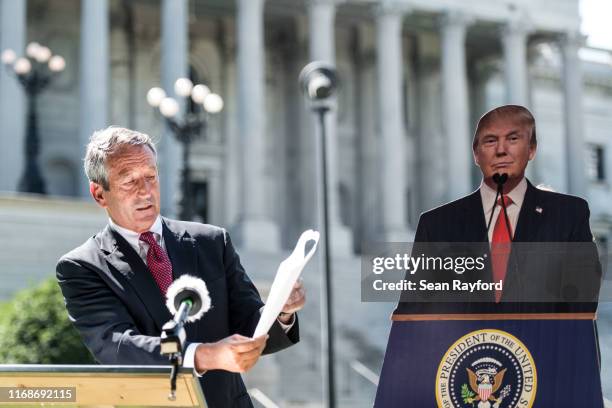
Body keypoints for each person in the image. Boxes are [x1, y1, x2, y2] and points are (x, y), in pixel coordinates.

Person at [56, 127, 305, 408]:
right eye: (129, 182)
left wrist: (280, 312)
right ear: (99, 193)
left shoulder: (212, 241)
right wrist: (203, 356)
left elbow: (248, 326)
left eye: (151, 177)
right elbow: (118, 348)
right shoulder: (82, 266)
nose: (145, 191)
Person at [394, 104, 601, 315]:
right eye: (491, 141)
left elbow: (581, 307)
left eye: (513, 139)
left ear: (531, 149)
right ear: (476, 154)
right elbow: (412, 315)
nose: (501, 150)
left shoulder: (569, 215)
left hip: (542, 346)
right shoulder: (436, 225)